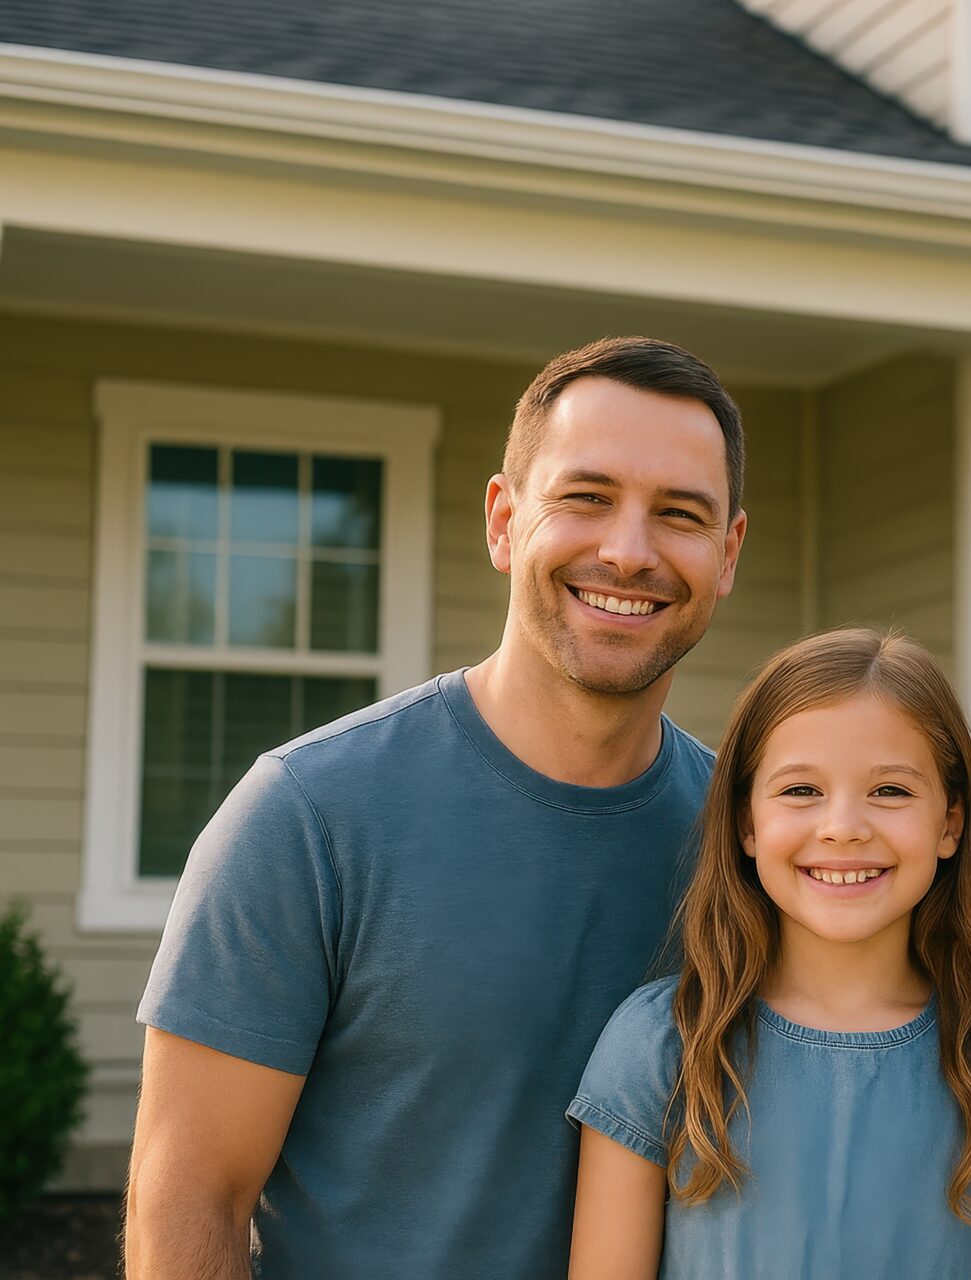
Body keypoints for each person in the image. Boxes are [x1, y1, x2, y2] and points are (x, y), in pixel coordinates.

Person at [124, 336, 749, 1280]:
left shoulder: (751, 848)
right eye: (586, 498)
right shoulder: (308, 817)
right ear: (503, 521)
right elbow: (188, 1204)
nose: (628, 551)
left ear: (728, 553)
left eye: (679, 514)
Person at [567, 628, 971, 1280]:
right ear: (746, 822)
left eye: (890, 791)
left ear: (950, 822)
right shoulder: (661, 1043)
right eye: (801, 790)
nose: (843, 828)